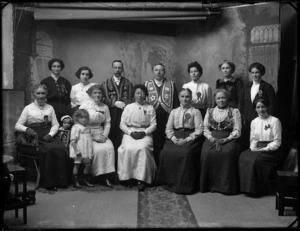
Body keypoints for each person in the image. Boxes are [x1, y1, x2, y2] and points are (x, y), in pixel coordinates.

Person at [15, 84, 71, 192]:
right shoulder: (28, 108)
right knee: (48, 151)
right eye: (38, 93)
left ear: (46, 95)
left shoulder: (50, 108)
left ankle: (62, 181)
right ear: (33, 95)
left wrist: (50, 134)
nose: (41, 96)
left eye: (43, 93)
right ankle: (49, 183)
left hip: (49, 134)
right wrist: (28, 130)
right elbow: (17, 125)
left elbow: (55, 124)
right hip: (35, 136)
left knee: (62, 149)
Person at [156, 88, 203, 194]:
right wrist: (173, 138)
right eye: (182, 96)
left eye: (187, 97)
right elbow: (168, 129)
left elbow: (199, 130)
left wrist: (186, 139)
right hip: (175, 136)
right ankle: (169, 181)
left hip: (190, 136)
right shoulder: (174, 111)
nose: (185, 99)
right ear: (179, 98)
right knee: (165, 152)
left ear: (191, 98)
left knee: (185, 153)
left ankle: (184, 185)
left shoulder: (195, 111)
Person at [200, 89, 242, 195]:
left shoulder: (234, 111)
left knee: (227, 153)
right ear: (215, 99)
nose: (221, 100)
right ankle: (209, 185)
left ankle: (225, 187)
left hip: (229, 137)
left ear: (227, 99)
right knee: (207, 153)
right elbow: (205, 128)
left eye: (223, 98)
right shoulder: (209, 111)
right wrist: (210, 138)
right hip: (212, 137)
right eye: (218, 98)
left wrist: (227, 139)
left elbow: (237, 130)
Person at [239, 97, 282, 196]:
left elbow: (277, 141)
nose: (261, 109)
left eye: (263, 107)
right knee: (243, 156)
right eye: (258, 107)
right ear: (255, 109)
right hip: (258, 147)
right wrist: (253, 148)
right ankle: (247, 189)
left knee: (256, 161)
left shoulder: (275, 121)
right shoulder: (254, 122)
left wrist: (265, 148)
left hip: (271, 150)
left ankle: (257, 190)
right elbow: (253, 138)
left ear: (267, 107)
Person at [117, 84, 157, 191]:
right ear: (134, 95)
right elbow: (122, 124)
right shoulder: (128, 107)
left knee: (143, 148)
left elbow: (154, 124)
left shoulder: (150, 108)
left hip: (145, 133)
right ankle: (128, 177)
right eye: (137, 93)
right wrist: (130, 132)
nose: (140, 95)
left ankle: (142, 179)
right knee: (128, 148)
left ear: (146, 95)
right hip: (130, 133)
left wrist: (145, 132)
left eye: (142, 93)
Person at [80, 84, 115, 187]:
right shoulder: (85, 106)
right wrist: (93, 137)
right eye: (95, 92)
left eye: (99, 92)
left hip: (100, 132)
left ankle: (106, 176)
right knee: (98, 150)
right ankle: (95, 176)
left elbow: (108, 122)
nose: (98, 95)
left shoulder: (104, 107)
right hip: (87, 133)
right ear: (90, 94)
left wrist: (104, 136)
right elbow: (80, 124)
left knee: (109, 148)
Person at [145, 63, 180, 166]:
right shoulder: (147, 84)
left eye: (161, 70)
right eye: (156, 70)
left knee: (165, 141)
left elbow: (176, 103)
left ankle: (164, 167)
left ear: (164, 72)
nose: (158, 72)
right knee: (154, 142)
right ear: (153, 71)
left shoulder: (171, 85)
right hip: (152, 118)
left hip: (166, 117)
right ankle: (153, 166)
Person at [101, 60, 133, 170]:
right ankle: (111, 169)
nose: (117, 70)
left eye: (119, 68)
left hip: (124, 117)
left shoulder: (129, 83)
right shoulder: (105, 83)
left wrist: (125, 105)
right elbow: (101, 99)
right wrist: (114, 103)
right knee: (111, 142)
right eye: (115, 67)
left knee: (123, 142)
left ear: (122, 69)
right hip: (111, 117)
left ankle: (123, 168)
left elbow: (133, 99)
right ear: (112, 68)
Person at [242, 62, 276, 151]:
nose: (254, 75)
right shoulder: (246, 86)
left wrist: (268, 120)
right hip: (247, 118)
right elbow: (241, 103)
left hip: (261, 118)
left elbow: (272, 105)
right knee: (247, 139)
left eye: (257, 72)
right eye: (252, 72)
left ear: (261, 73)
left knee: (259, 140)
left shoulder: (267, 87)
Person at [70, 109, 94, 189]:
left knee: (88, 164)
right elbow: (73, 140)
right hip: (79, 148)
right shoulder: (76, 127)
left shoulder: (88, 127)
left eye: (86, 118)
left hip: (86, 149)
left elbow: (89, 138)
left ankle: (84, 179)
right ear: (77, 118)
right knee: (77, 165)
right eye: (82, 117)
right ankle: (75, 181)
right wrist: (76, 150)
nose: (84, 119)